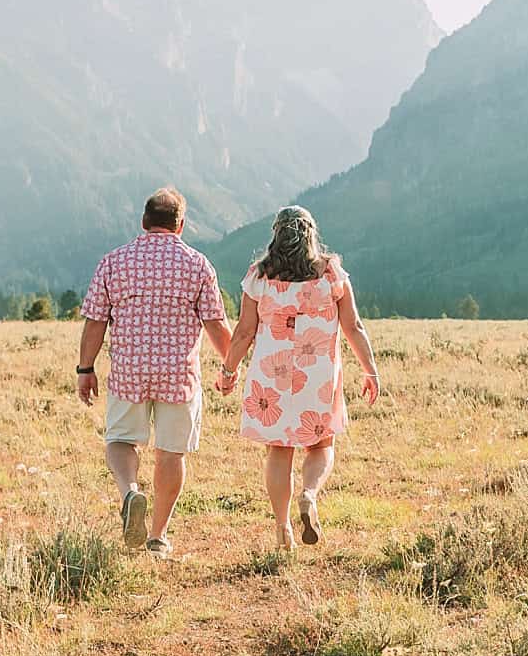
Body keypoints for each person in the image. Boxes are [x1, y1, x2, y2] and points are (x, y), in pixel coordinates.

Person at [75, 186, 232, 555]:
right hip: (179, 376)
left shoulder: (114, 262)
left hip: (130, 371)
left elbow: (95, 321)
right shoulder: (198, 265)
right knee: (172, 452)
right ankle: (158, 536)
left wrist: (86, 368)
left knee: (119, 440)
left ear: (144, 222)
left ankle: (130, 492)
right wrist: (230, 367)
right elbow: (216, 324)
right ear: (181, 226)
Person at [215, 206, 381, 549]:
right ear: (311, 234)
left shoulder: (259, 276)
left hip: (271, 375)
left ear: (276, 234)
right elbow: (353, 326)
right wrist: (370, 369)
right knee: (321, 444)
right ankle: (309, 494)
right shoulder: (330, 273)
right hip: (316, 373)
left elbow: (245, 331)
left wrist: (228, 371)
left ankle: (282, 529)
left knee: (279, 450)